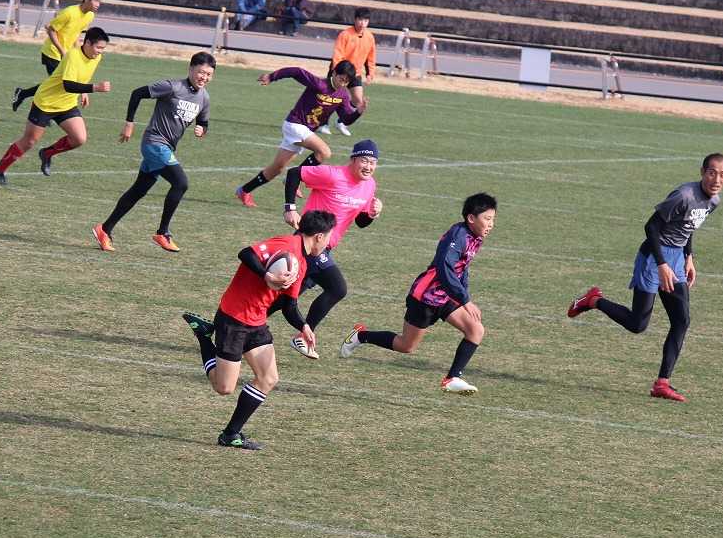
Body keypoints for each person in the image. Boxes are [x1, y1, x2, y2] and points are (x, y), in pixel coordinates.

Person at [567, 153, 723, 402]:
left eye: (722, 174)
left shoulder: (714, 200)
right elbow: (651, 227)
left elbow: (688, 227)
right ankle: (593, 301)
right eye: (712, 173)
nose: (716, 179)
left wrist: (688, 257)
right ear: (702, 172)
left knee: (681, 320)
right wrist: (662, 264)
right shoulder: (684, 195)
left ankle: (662, 384)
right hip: (654, 257)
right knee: (638, 324)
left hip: (676, 259)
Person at [181, 210, 337, 450]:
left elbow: (289, 306)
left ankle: (231, 434)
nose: (328, 243)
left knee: (268, 378)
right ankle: (204, 337)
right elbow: (245, 253)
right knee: (224, 388)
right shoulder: (285, 245)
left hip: (257, 322)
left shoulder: (302, 264)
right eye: (328, 237)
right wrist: (267, 275)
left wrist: (304, 326)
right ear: (319, 236)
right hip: (234, 318)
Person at [340, 193, 498, 394]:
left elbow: (463, 268)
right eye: (487, 218)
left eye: (493, 219)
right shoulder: (458, 236)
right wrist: (465, 300)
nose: (491, 224)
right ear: (471, 218)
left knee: (476, 330)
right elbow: (444, 268)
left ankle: (452, 378)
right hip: (426, 297)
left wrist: (464, 295)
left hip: (447, 296)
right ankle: (361, 336)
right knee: (406, 346)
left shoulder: (476, 237)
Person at [92, 52, 214, 254]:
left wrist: (202, 129)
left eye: (209, 74)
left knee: (138, 190)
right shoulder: (172, 87)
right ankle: (163, 233)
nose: (204, 77)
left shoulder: (204, 97)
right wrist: (129, 123)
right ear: (191, 69)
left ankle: (104, 229)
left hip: (166, 148)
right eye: (201, 72)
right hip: (154, 144)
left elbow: (203, 122)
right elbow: (137, 93)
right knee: (181, 183)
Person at [272, 139, 382, 359]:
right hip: (308, 243)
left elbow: (360, 222)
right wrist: (290, 208)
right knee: (337, 288)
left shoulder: (369, 185)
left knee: (282, 297)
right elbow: (294, 173)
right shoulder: (333, 174)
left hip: (325, 247)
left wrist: (372, 214)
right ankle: (302, 337)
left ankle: (235, 324)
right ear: (353, 160)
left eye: (373, 162)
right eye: (364, 160)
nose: (368, 166)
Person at [234, 61, 366, 208]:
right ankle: (295, 178)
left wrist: (358, 113)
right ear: (334, 73)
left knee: (277, 168)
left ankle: (244, 191)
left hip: (304, 131)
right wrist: (271, 77)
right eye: (341, 79)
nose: (343, 83)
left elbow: (345, 119)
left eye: (347, 82)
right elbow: (296, 71)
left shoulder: (342, 95)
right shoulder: (319, 84)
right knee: (324, 152)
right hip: (294, 124)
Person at [0, 27, 111, 185]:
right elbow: (68, 85)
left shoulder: (96, 57)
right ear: (87, 43)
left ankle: (47, 153)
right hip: (45, 103)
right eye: (98, 47)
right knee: (29, 141)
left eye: (103, 48)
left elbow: (80, 76)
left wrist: (84, 92)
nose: (100, 52)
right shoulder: (73, 56)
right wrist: (94, 88)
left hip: (67, 105)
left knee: (79, 138)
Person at [12, 0, 103, 111]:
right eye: (96, 1)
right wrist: (62, 51)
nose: (98, 4)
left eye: (100, 2)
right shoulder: (69, 12)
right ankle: (41, 110)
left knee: (56, 84)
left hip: (66, 55)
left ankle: (23, 95)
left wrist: (78, 54)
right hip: (52, 53)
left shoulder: (90, 16)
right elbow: (51, 29)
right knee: (61, 84)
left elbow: (76, 34)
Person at [320, 7, 376, 137]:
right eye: (360, 20)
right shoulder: (345, 34)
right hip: (340, 71)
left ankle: (341, 121)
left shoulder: (370, 37)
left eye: (365, 20)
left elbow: (371, 57)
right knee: (330, 98)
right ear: (355, 20)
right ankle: (323, 123)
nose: (362, 23)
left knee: (358, 100)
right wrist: (339, 72)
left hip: (355, 73)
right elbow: (337, 54)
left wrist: (370, 73)